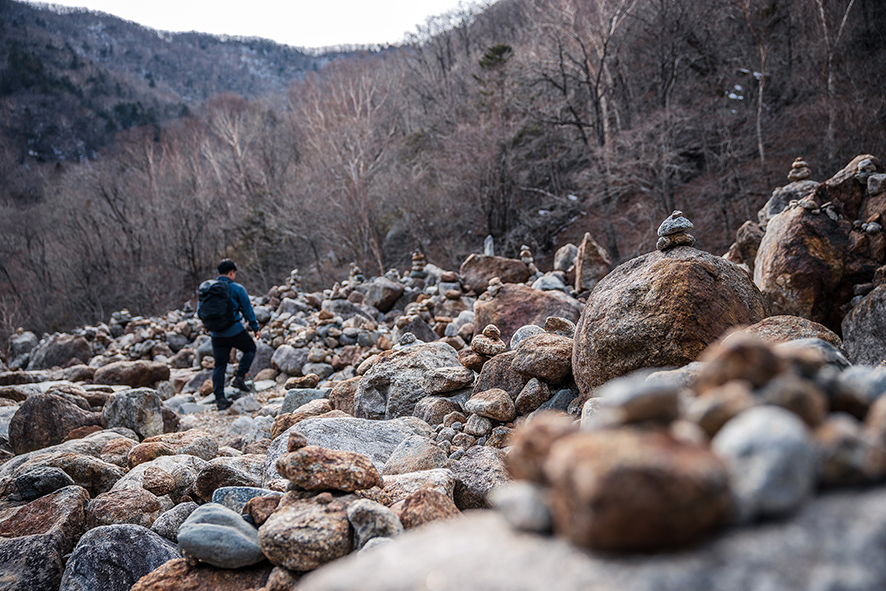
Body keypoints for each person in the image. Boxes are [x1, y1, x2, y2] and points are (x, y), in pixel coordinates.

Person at [202, 259, 261, 411]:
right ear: (232, 272)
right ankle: (240, 378)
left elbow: (199, 311)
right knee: (250, 349)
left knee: (220, 365)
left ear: (218, 273)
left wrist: (209, 326)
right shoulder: (236, 288)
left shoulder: (209, 289)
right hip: (234, 330)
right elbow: (247, 310)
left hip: (216, 334)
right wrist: (255, 328)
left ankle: (220, 399)